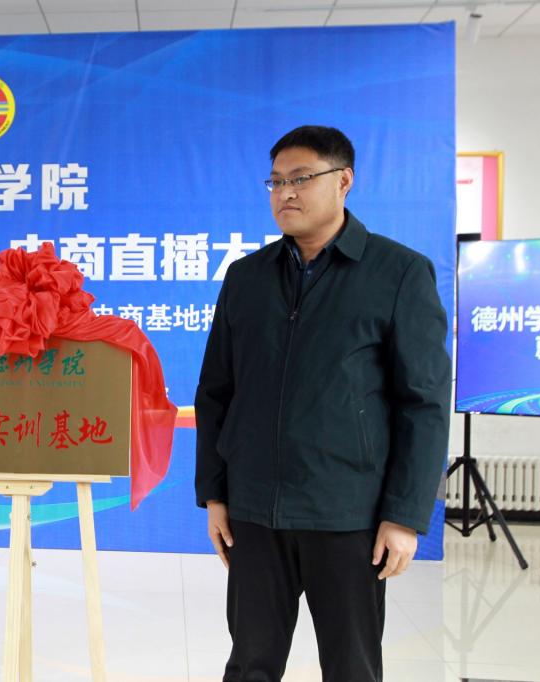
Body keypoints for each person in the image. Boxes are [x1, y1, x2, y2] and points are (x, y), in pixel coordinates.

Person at [194, 125, 451, 682]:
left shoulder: (398, 273)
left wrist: (405, 516)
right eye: (275, 182)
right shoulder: (245, 277)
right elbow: (216, 392)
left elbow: (424, 403)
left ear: (344, 181)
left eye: (301, 178)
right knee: (250, 663)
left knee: (352, 667)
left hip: (348, 513)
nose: (285, 193)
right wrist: (215, 493)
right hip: (255, 511)